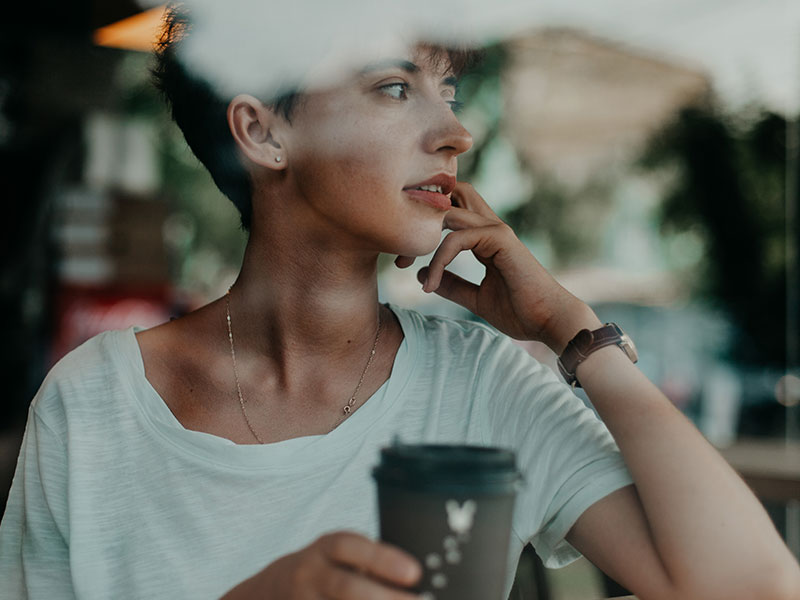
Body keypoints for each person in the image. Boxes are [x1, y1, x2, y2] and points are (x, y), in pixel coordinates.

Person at [1, 4, 799, 599]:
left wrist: (573, 330)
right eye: (394, 88)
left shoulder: (480, 384)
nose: (456, 131)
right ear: (263, 132)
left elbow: (753, 589)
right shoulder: (94, 405)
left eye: (448, 90)